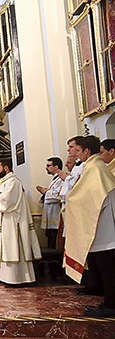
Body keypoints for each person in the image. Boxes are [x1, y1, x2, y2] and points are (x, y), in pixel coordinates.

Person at [64, 135, 115, 316]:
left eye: (78, 150)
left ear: (86, 151)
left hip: (103, 228)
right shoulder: (94, 166)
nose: (76, 154)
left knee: (108, 268)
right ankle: (108, 301)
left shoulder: (95, 168)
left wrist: (71, 200)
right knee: (105, 267)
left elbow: (85, 197)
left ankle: (111, 305)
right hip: (102, 226)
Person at [0, 159, 42, 285]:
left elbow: (7, 202)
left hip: (12, 221)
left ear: (6, 168)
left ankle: (17, 277)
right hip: (4, 221)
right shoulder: (3, 182)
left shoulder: (13, 182)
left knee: (12, 246)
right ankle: (5, 276)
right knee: (5, 246)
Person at [35, 157, 63, 249]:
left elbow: (58, 195)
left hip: (56, 215)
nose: (46, 168)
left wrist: (45, 192)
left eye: (48, 165)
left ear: (56, 167)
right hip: (50, 214)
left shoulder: (61, 179)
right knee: (50, 240)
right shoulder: (54, 180)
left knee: (55, 241)